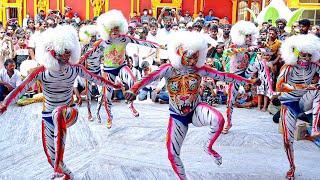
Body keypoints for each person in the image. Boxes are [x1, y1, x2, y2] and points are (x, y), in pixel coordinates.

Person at [125, 31, 259, 180]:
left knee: (219, 120)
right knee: (172, 154)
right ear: (179, 53)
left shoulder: (200, 70)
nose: (192, 60)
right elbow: (148, 77)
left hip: (196, 110)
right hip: (177, 116)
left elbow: (225, 76)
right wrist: (133, 89)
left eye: (196, 56)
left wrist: (248, 82)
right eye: (189, 56)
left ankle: (208, 147)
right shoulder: (169, 69)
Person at [0, 25, 120, 179]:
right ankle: (66, 174)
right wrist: (5, 104)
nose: (66, 57)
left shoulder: (75, 69)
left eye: (69, 53)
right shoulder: (41, 72)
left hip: (69, 112)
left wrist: (115, 85)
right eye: (63, 53)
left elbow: (97, 79)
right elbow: (21, 89)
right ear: (53, 53)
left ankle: (59, 166)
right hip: (48, 116)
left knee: (58, 113)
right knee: (50, 155)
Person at [88, 10, 159, 128]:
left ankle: (130, 105)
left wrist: (158, 46)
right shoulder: (102, 42)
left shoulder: (125, 38)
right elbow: (90, 55)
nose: (115, 31)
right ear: (107, 30)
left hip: (122, 66)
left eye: (117, 28)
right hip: (108, 70)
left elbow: (142, 42)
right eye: (112, 29)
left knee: (132, 80)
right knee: (106, 97)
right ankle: (109, 118)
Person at [276, 34, 320, 179]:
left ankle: (314, 128)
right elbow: (279, 86)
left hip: (304, 101)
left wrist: (314, 85)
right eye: (303, 55)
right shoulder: (288, 67)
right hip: (288, 103)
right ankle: (291, 166)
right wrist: (304, 86)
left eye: (309, 55)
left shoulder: (315, 65)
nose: (306, 58)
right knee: (287, 141)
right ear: (296, 53)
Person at [223, 20, 259, 133]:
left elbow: (266, 52)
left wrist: (262, 47)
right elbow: (227, 52)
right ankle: (228, 122)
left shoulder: (252, 46)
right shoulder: (235, 45)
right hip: (235, 75)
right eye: (246, 36)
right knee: (230, 101)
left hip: (247, 73)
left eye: (250, 36)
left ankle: (270, 90)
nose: (248, 38)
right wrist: (245, 49)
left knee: (260, 63)